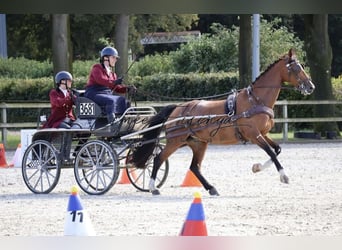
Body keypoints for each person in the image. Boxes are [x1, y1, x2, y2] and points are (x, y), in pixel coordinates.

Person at [84, 46, 130, 124]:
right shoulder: (97, 68)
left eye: (116, 58)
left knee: (122, 100)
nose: (115, 60)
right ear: (105, 58)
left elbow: (117, 88)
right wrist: (114, 82)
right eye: (113, 57)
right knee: (110, 101)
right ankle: (112, 122)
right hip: (94, 93)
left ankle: (123, 120)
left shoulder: (113, 74)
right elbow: (101, 80)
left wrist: (127, 89)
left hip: (106, 94)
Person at [43, 71, 82, 163]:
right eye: (69, 81)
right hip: (58, 121)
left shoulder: (70, 93)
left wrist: (78, 97)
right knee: (68, 130)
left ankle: (78, 152)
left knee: (82, 128)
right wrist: (69, 97)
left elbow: (77, 104)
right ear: (62, 81)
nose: (70, 83)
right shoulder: (54, 93)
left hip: (70, 119)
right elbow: (58, 103)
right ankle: (64, 155)